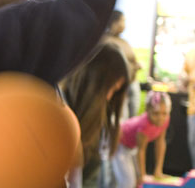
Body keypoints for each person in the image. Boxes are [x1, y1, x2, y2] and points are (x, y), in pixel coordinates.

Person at [59, 42, 130, 187]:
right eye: (111, 88)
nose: (109, 97)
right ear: (92, 82)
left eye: (116, 91)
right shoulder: (58, 114)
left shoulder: (98, 125)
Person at [111, 91, 171, 188]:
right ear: (147, 111)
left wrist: (158, 170)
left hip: (132, 147)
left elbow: (160, 143)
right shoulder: (144, 125)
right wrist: (142, 175)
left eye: (164, 113)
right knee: (128, 182)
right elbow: (141, 150)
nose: (161, 118)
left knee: (135, 182)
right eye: (156, 113)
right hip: (119, 144)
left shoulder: (165, 120)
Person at [105, 10, 142, 119]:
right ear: (114, 22)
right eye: (122, 21)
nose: (124, 25)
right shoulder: (107, 41)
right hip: (116, 87)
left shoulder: (122, 41)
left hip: (129, 84)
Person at [181, 48, 195, 169]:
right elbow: (183, 75)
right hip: (193, 108)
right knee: (193, 142)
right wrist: (185, 78)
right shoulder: (190, 54)